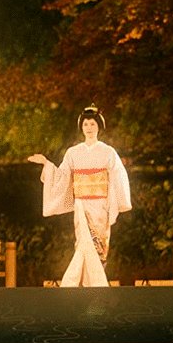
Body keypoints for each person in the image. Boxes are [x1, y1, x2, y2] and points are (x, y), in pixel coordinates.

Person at [28, 104, 131, 287]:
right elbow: (62, 176)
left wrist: (115, 201)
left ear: (99, 126)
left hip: (101, 204)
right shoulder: (73, 152)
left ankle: (96, 283)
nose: (89, 128)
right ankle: (82, 283)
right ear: (81, 128)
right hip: (81, 203)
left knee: (100, 243)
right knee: (83, 242)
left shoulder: (108, 151)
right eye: (85, 124)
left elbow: (118, 175)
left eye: (92, 124)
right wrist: (47, 164)